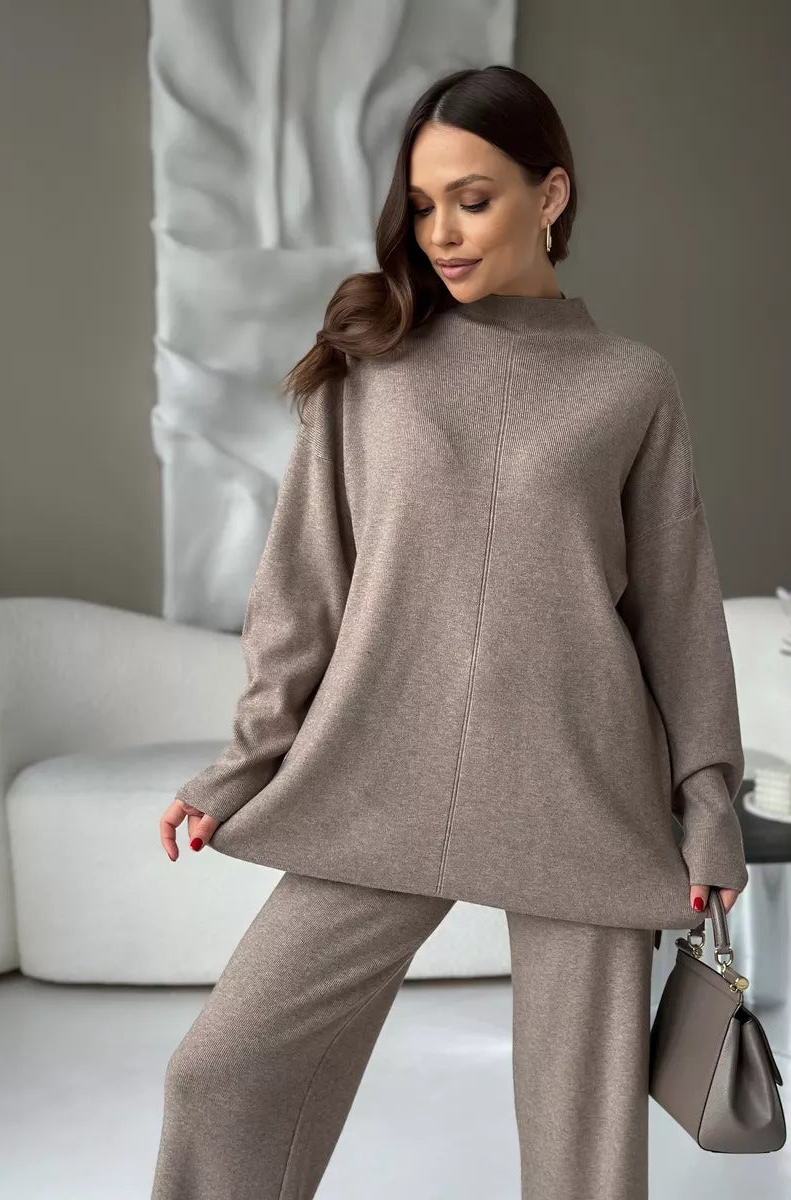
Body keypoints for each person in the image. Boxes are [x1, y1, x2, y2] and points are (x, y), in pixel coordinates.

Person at [151, 64, 748, 1200]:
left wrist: (710, 808)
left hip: (581, 787)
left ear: (550, 194)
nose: (441, 233)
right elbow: (304, 591)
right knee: (218, 1074)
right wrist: (243, 765)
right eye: (423, 205)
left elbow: (677, 612)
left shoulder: (631, 386)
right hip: (384, 768)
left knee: (581, 1156)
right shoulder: (370, 363)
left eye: (472, 199)